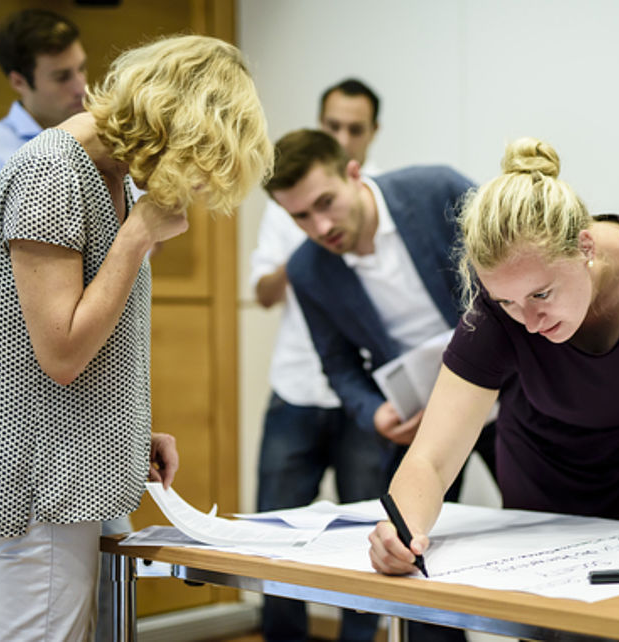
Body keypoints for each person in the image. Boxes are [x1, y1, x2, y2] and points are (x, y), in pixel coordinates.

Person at [0, 34, 272, 640]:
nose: (194, 181)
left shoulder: (107, 174)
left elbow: (74, 343)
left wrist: (121, 429)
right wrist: (138, 236)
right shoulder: (52, 170)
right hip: (36, 482)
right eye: (199, 157)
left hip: (74, 465)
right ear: (171, 124)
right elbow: (62, 352)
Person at [368, 137, 619, 576]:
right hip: (544, 478)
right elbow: (433, 456)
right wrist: (401, 530)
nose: (530, 321)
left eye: (542, 294)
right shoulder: (496, 309)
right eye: (507, 303)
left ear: (585, 247)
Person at [268, 128, 496, 642]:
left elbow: (514, 256)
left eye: (325, 202)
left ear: (354, 171)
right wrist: (372, 411)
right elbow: (339, 365)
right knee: (410, 547)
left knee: (549, 522)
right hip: (424, 421)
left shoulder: (437, 191)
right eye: (300, 216)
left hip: (515, 397)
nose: (320, 225)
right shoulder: (308, 269)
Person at [249, 78, 382, 642]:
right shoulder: (288, 207)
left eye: (356, 128)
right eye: (334, 125)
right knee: (273, 543)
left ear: (371, 136)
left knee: (368, 541)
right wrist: (310, 239)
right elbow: (261, 291)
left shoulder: (378, 206)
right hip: (296, 392)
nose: (344, 136)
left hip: (365, 400)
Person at [0, 9, 86, 305]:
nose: (80, 87)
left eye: (81, 69)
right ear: (19, 82)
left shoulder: (101, 145)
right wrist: (45, 264)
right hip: (21, 345)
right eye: (62, 77)